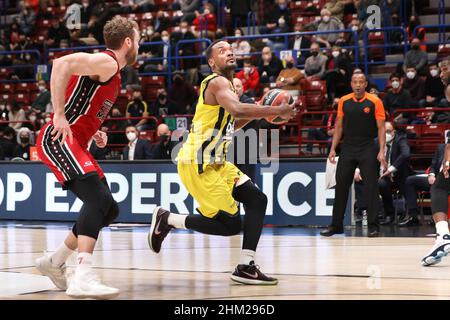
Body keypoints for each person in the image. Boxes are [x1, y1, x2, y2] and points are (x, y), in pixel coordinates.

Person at [148, 40, 296, 285]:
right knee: (229, 225)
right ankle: (168, 219)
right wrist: (269, 110)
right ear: (211, 62)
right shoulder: (215, 81)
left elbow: (232, 124)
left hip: (218, 161)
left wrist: (262, 111)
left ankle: (246, 266)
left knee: (257, 200)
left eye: (230, 48)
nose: (229, 51)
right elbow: (238, 110)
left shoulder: (228, 88)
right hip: (198, 161)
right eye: (221, 50)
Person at [34, 16, 140, 299]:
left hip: (77, 140)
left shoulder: (110, 71)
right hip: (58, 138)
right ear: (128, 42)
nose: (139, 43)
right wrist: (57, 114)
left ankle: (54, 262)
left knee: (109, 209)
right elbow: (61, 64)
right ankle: (83, 274)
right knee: (98, 200)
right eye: (138, 38)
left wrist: (96, 132)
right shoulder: (108, 62)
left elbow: (83, 105)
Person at [320, 73, 387, 238]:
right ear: (351, 84)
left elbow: (381, 128)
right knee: (341, 187)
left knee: (371, 187)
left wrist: (381, 151)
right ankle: (336, 225)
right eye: (355, 82)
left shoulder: (375, 101)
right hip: (348, 147)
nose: (358, 85)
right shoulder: (344, 100)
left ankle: (373, 226)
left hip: (368, 146)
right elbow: (339, 126)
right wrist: (333, 148)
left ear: (365, 84)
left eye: (361, 82)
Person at [399, 144, 445, 226]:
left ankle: (437, 217)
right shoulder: (441, 147)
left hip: (446, 180)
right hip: (436, 178)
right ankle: (413, 217)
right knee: (410, 181)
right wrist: (431, 174)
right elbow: (433, 166)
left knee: (439, 186)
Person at [377, 121, 413, 225]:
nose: (386, 134)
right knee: (381, 184)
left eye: (388, 131)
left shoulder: (400, 140)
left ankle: (409, 214)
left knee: (407, 180)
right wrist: (358, 169)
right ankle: (389, 214)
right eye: (384, 131)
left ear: (394, 132)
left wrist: (391, 169)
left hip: (399, 175)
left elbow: (406, 154)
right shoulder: (376, 142)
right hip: (383, 176)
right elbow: (366, 156)